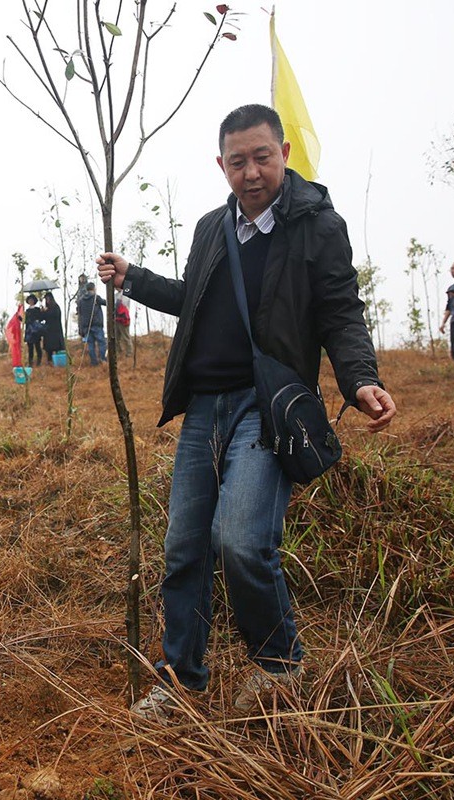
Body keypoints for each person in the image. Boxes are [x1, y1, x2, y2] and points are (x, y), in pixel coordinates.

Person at [96, 104, 396, 719]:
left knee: (241, 540)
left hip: (267, 407)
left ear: (284, 152)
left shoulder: (317, 226)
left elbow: (340, 312)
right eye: (238, 161)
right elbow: (194, 299)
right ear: (221, 165)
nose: (252, 171)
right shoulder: (212, 228)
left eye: (263, 156)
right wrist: (134, 278)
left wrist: (360, 380)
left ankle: (280, 665)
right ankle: (181, 677)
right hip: (203, 408)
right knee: (183, 546)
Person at [77, 281, 107, 366]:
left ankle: (94, 362)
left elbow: (80, 314)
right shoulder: (96, 298)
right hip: (97, 325)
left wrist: (81, 328)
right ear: (94, 288)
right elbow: (106, 303)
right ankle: (102, 359)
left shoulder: (81, 300)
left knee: (91, 345)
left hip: (86, 327)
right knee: (101, 343)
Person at [41, 293, 65, 362]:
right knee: (49, 348)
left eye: (48, 299)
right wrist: (43, 312)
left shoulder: (56, 307)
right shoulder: (47, 308)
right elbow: (43, 318)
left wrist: (46, 312)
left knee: (57, 347)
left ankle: (59, 361)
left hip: (56, 330)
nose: (47, 301)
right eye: (46, 299)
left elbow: (54, 315)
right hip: (48, 330)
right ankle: (49, 361)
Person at [23, 294, 45, 366]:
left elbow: (41, 318)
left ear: (34, 301)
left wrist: (42, 312)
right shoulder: (27, 311)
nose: (31, 301)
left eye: (32, 300)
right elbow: (25, 321)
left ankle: (39, 362)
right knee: (30, 348)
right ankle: (30, 362)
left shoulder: (37, 309)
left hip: (36, 331)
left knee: (37, 346)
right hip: (29, 331)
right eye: (29, 300)